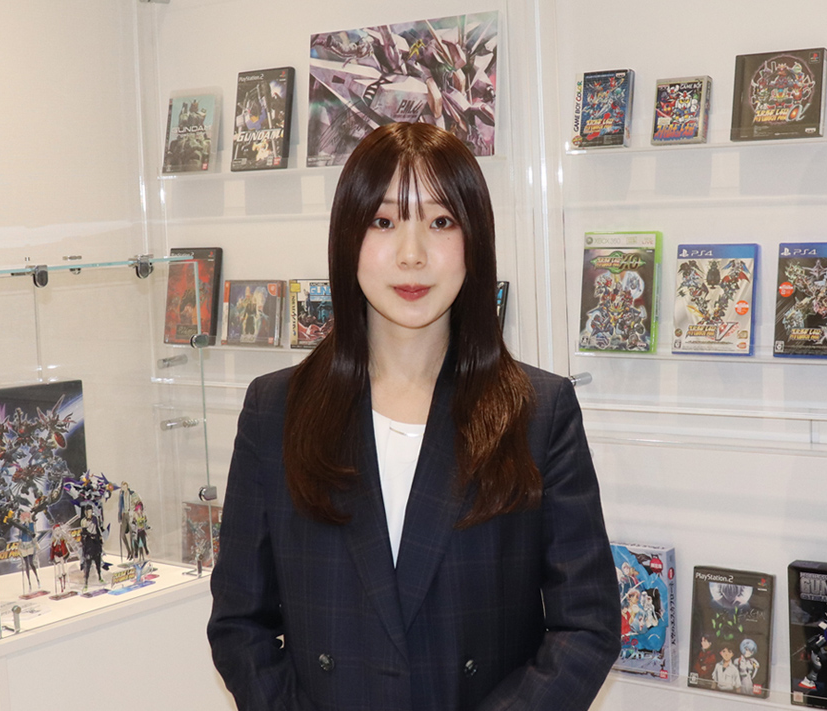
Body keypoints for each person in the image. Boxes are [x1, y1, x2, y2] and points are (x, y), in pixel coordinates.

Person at [207, 122, 618, 711]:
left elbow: (587, 625)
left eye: (441, 221)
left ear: (475, 240)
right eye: (383, 222)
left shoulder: (537, 410)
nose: (412, 254)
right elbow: (239, 624)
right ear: (347, 238)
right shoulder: (276, 409)